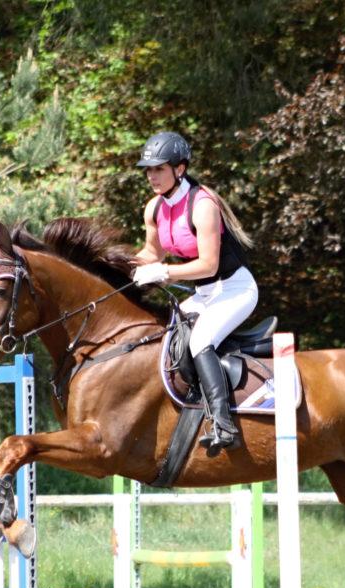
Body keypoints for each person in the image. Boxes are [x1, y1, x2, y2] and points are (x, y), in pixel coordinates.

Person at [131, 131, 258, 457]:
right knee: (167, 337)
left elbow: (208, 264)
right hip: (205, 293)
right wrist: (120, 264)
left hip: (235, 289)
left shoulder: (202, 205)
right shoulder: (154, 209)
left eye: (159, 169)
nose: (151, 176)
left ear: (180, 169)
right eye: (148, 170)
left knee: (200, 340)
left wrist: (165, 272)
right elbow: (151, 253)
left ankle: (223, 424)